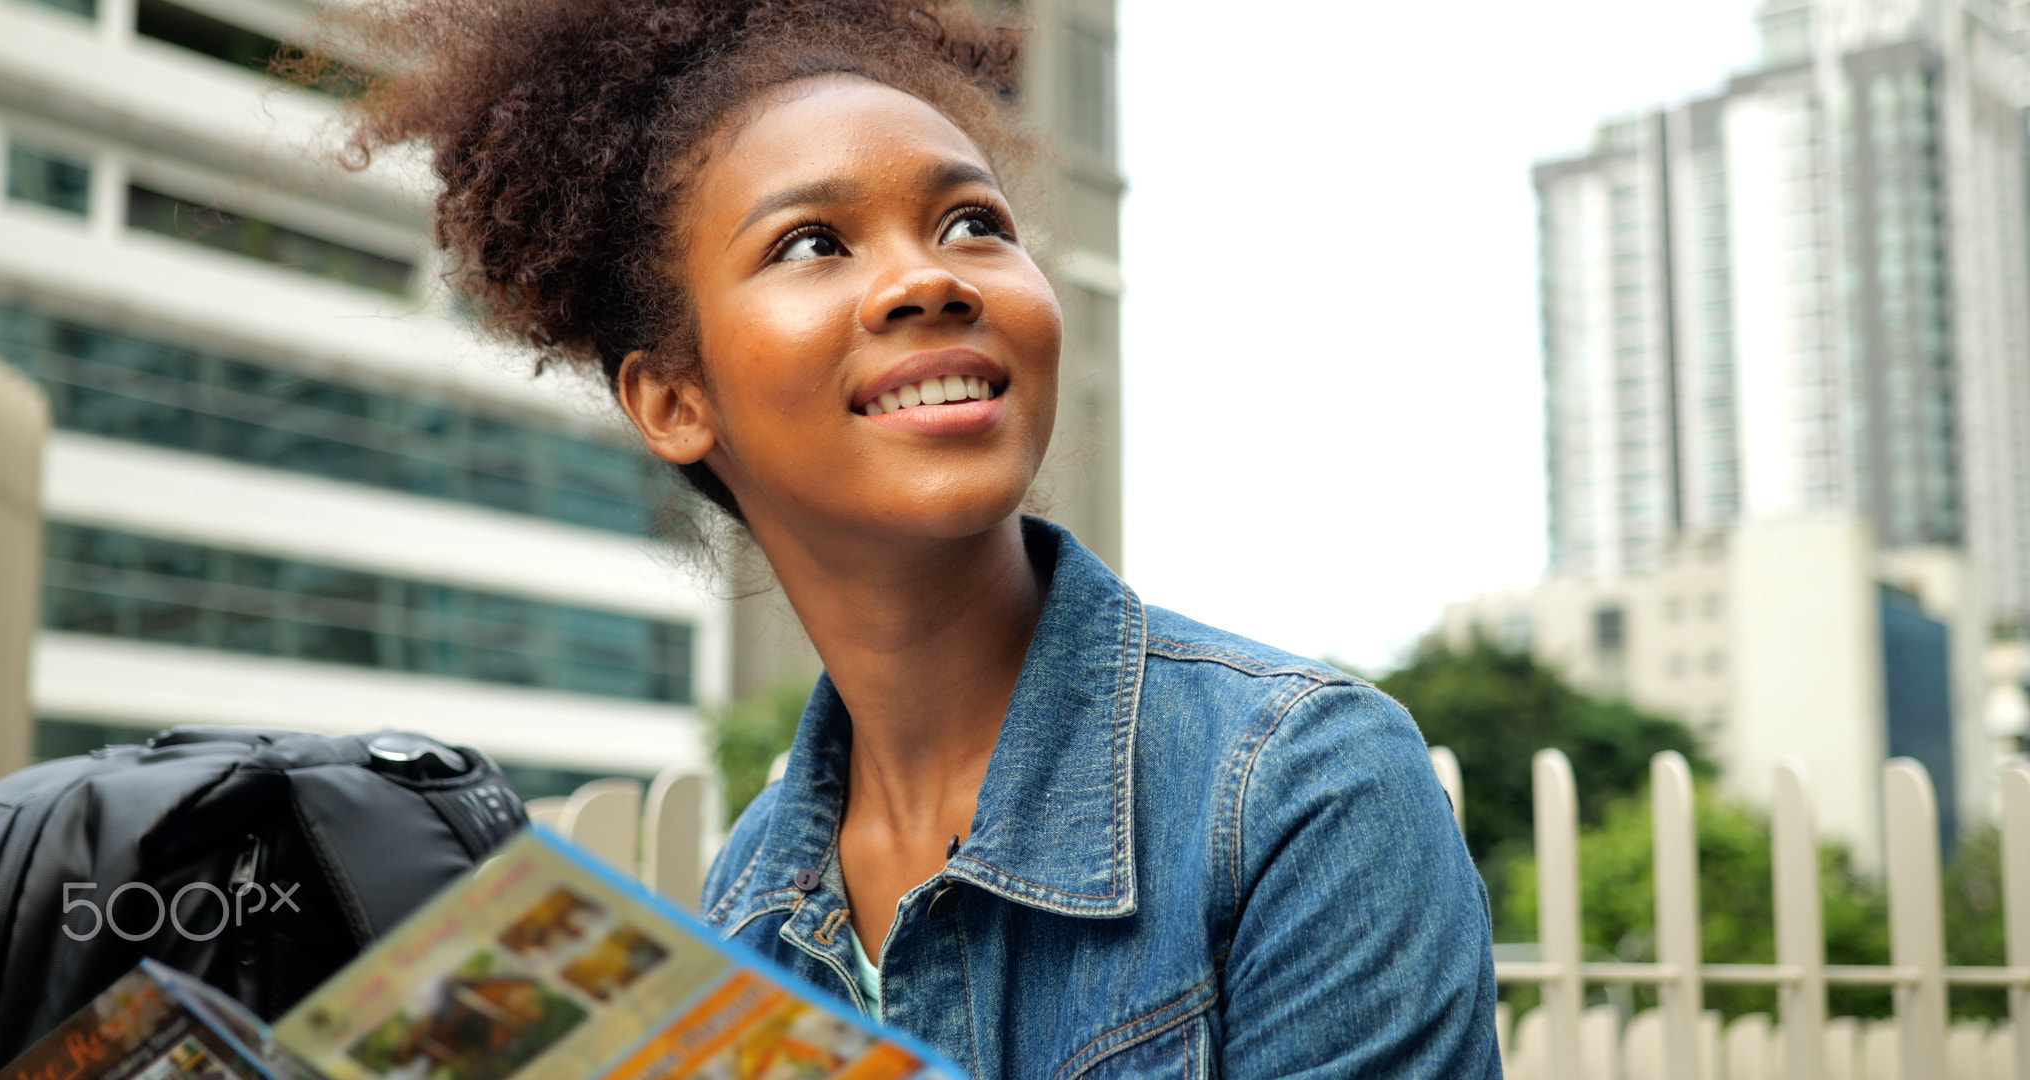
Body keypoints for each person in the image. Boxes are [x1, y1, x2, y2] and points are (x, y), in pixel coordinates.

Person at [304, 0, 1502, 1074]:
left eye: (973, 222)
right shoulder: (747, 911)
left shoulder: (1299, 790)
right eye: (811, 243)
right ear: (674, 400)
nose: (928, 279)